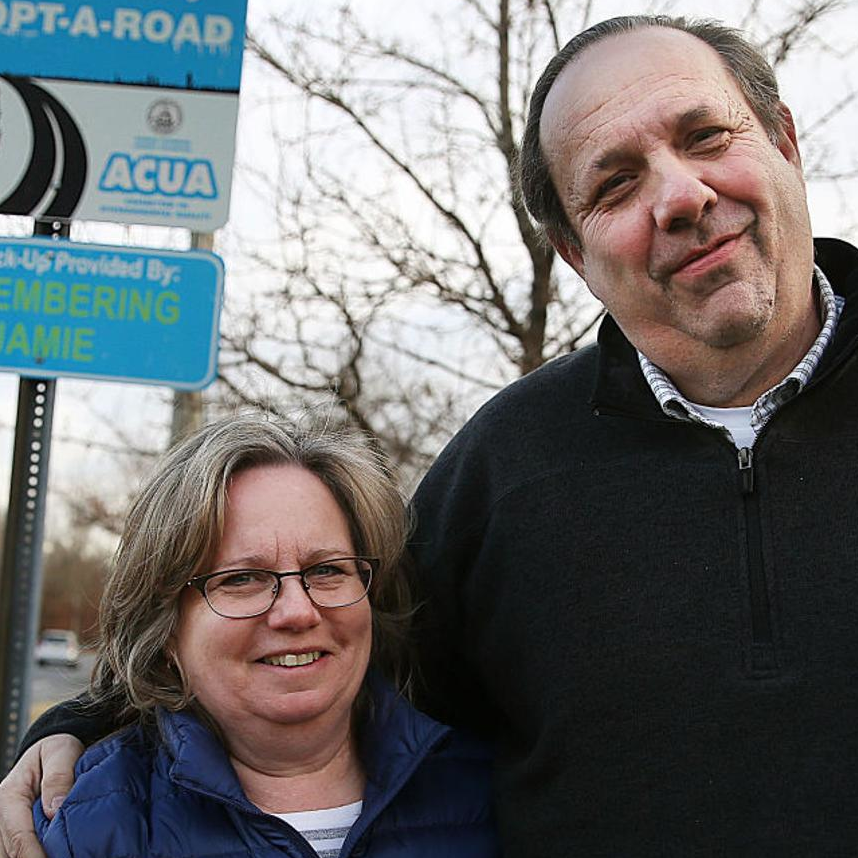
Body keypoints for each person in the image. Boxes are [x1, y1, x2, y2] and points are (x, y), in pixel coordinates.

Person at [3, 12, 858, 858]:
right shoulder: (504, 470)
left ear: (783, 139)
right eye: (615, 185)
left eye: (706, 135)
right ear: (573, 253)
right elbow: (315, 635)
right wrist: (83, 722)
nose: (681, 196)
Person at [7, 415, 498, 858]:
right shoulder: (79, 829)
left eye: (327, 570)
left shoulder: (494, 799)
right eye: (241, 579)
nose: (297, 612)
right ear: (166, 629)